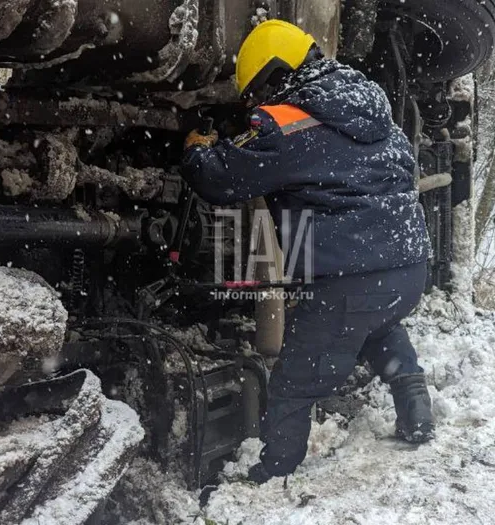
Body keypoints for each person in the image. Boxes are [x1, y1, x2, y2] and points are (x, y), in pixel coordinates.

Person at [182, 20, 435, 485]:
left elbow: (220, 179)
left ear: (274, 77)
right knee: (377, 324)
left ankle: (275, 473)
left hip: (349, 279)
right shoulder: (368, 107)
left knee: (293, 384)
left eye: (255, 95)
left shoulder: (289, 122)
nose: (255, 107)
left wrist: (198, 149)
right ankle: (416, 407)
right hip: (407, 270)